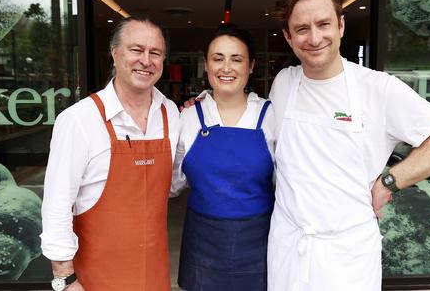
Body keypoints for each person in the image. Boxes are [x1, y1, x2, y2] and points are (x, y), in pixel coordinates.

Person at [265, 0, 430, 290]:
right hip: (289, 247)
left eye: (323, 24)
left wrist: (389, 182)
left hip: (348, 256)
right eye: (302, 29)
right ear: (289, 38)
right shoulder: (284, 83)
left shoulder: (377, 88)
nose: (314, 37)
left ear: (341, 25)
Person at [41, 17, 180, 291]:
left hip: (154, 275)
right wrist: (65, 279)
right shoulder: (79, 119)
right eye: (136, 50)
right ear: (114, 53)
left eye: (155, 53)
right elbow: (57, 204)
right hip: (95, 278)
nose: (146, 60)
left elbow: (173, 183)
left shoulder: (171, 114)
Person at [172, 24, 276, 290]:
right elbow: (171, 183)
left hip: (258, 242)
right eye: (218, 59)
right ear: (206, 65)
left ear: (251, 66)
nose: (226, 68)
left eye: (236, 59)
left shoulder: (271, 116)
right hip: (203, 243)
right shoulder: (188, 117)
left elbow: (289, 182)